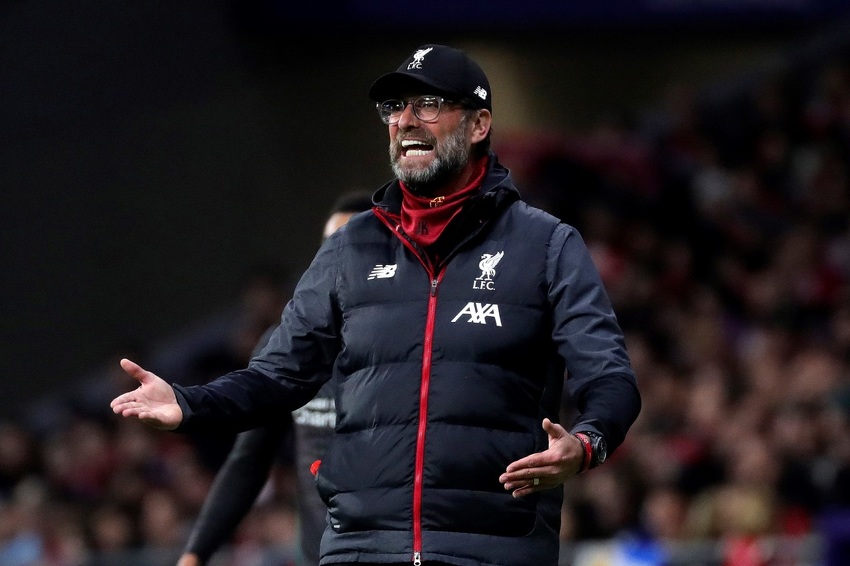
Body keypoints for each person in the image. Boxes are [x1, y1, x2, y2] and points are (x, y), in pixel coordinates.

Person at [112, 43, 642, 566]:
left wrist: (587, 443)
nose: (406, 121)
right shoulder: (349, 248)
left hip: (491, 549)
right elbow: (278, 376)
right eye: (395, 107)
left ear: (479, 124)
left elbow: (611, 378)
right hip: (360, 549)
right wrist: (188, 402)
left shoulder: (547, 245)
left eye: (428, 105)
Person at [177, 190, 374, 566]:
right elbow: (249, 461)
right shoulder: (289, 347)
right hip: (320, 557)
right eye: (330, 247)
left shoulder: (412, 345)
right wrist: (195, 554)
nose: (340, 259)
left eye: (355, 246)